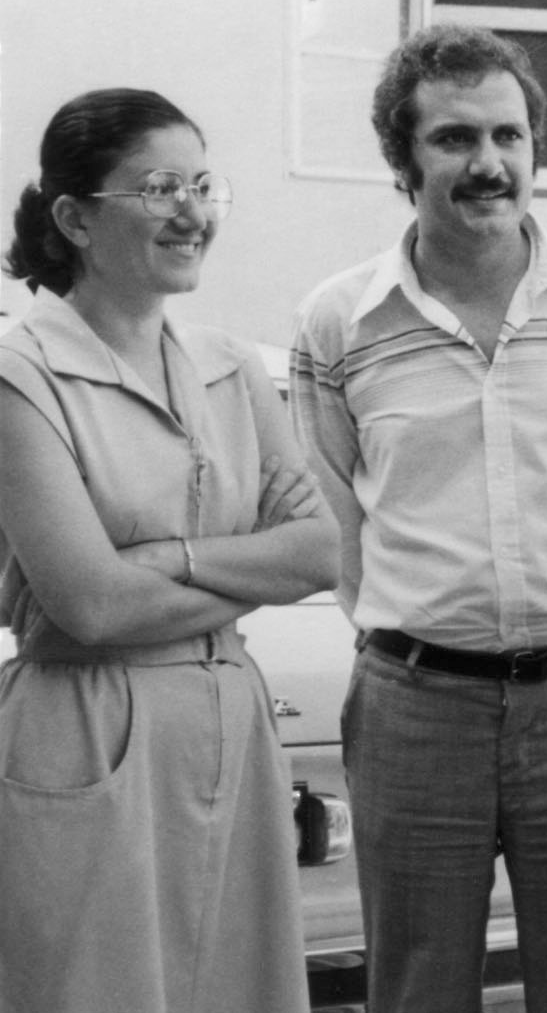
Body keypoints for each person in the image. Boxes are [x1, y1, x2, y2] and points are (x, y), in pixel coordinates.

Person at [291, 25, 547, 1013]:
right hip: (416, 708)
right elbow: (335, 516)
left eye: (509, 136)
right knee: (416, 993)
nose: (488, 163)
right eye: (454, 138)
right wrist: (423, 638)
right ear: (403, 160)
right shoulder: (339, 320)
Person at [0, 89, 340, 1013]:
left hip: (232, 724)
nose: (193, 214)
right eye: (158, 188)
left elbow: (319, 553)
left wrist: (169, 561)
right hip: (89, 731)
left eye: (202, 185)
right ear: (75, 219)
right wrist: (249, 563)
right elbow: (94, 606)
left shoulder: (232, 368)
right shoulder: (21, 376)